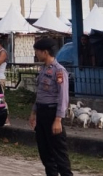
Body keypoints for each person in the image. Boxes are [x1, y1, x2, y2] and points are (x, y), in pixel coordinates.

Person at [29, 38, 72, 176]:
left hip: (52, 113)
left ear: (45, 52)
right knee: (45, 151)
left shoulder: (59, 71)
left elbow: (63, 97)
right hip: (41, 112)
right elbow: (40, 93)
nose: (36, 54)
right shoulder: (43, 69)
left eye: (37, 52)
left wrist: (58, 119)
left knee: (59, 152)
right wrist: (34, 112)